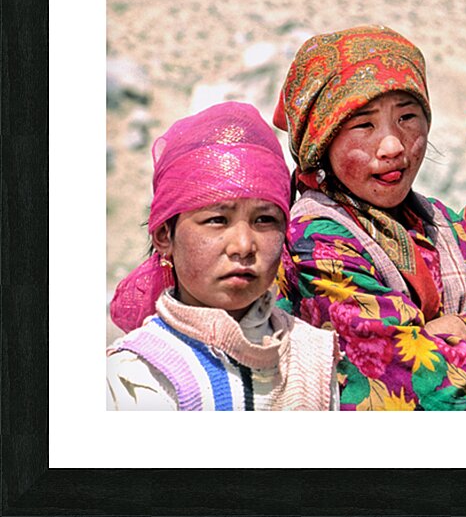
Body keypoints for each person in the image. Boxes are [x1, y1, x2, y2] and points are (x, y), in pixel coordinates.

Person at [273, 24, 466, 411]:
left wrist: (465, 334)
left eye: (407, 117)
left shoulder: (442, 226)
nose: (393, 146)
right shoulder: (316, 238)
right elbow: (420, 387)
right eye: (363, 125)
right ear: (321, 140)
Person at [107, 102, 340, 410]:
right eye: (217, 220)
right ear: (165, 236)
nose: (243, 245)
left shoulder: (314, 355)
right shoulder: (135, 375)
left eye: (265, 220)